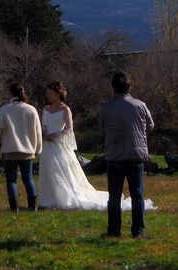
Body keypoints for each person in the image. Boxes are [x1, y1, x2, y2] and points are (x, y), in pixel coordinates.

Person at [39, 80, 156, 212]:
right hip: (47, 145)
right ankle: (48, 198)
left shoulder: (65, 110)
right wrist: (43, 134)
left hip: (59, 145)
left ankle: (64, 198)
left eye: (51, 92)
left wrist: (53, 135)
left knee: (63, 173)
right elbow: (45, 126)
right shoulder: (46, 109)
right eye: (47, 92)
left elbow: (69, 130)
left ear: (58, 93)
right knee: (48, 171)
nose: (48, 95)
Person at [99, 72, 155, 238]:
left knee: (114, 195)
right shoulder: (140, 105)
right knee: (137, 194)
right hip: (135, 155)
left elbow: (101, 129)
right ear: (129, 87)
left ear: (113, 88)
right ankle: (138, 230)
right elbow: (150, 125)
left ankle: (114, 230)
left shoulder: (107, 107)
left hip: (115, 155)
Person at [0, 82, 42, 211]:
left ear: (10, 93)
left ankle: (14, 208)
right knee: (28, 178)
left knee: (11, 180)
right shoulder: (31, 109)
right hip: (27, 151)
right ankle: (32, 206)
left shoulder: (5, 110)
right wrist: (38, 148)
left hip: (10, 152)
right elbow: (38, 131)